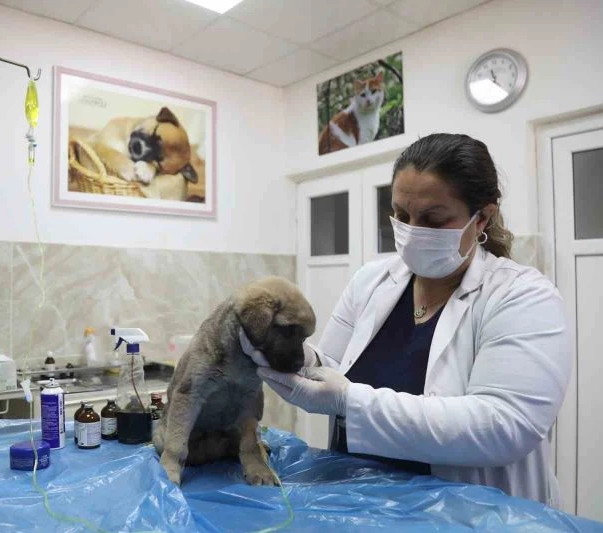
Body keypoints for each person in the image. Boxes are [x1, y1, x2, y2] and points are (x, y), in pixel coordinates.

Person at [240, 133, 571, 507]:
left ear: (482, 218)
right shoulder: (373, 280)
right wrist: (291, 355)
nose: (412, 230)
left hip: (469, 515)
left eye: (434, 218)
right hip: (361, 506)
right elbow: (333, 365)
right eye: (401, 215)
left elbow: (504, 426)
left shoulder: (522, 295)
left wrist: (350, 402)